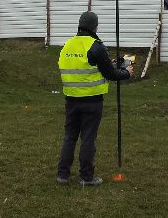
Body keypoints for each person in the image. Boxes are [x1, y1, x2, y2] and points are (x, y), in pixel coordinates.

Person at [56, 11, 133, 187]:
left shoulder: (67, 45)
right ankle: (86, 177)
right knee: (88, 138)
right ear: (95, 27)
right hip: (92, 101)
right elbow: (111, 74)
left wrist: (107, 63)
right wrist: (126, 73)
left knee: (69, 137)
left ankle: (62, 175)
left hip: (71, 99)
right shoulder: (96, 46)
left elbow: (82, 67)